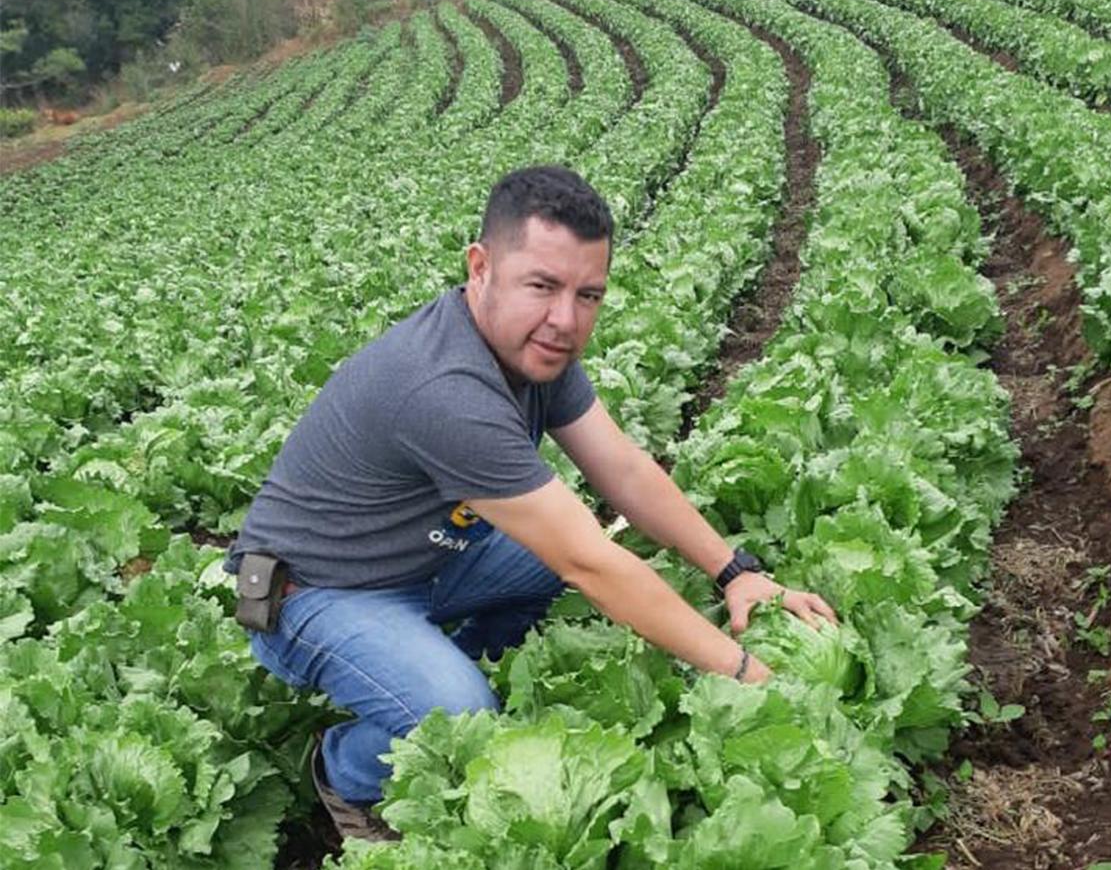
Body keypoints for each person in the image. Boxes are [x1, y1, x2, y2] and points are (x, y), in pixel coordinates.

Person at [225, 165, 837, 840]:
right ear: (480, 267)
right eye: (542, 286)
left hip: (423, 565)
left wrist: (737, 572)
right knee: (464, 712)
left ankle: (442, 664)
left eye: (588, 294)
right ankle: (345, 767)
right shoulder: (444, 387)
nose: (565, 320)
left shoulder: (533, 355)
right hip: (315, 595)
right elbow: (589, 565)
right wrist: (743, 671)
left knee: (554, 555)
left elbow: (626, 471)